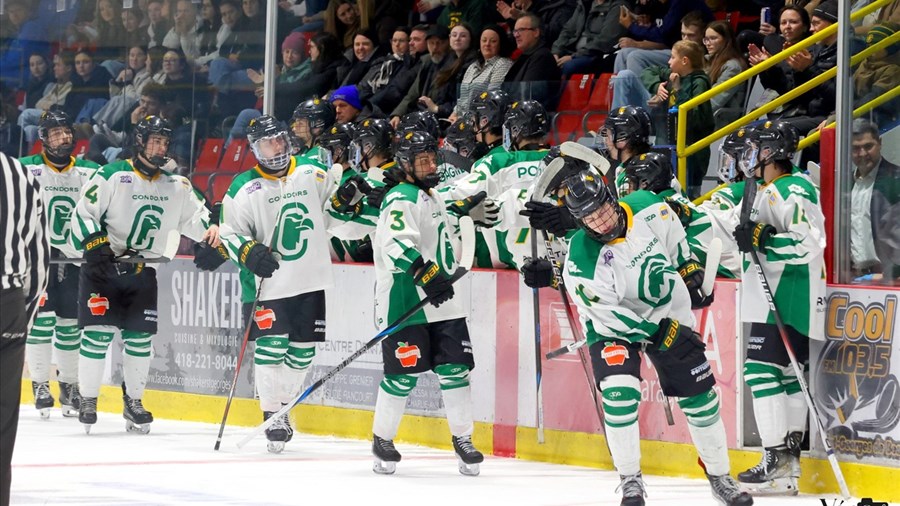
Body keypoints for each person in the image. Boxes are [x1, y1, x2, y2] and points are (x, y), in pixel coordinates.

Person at [527, 171, 752, 506]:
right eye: (589, 216)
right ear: (578, 219)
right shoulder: (580, 259)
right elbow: (610, 316)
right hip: (613, 331)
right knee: (620, 394)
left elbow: (676, 238)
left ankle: (720, 476)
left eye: (602, 209)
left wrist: (689, 270)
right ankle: (630, 479)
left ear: (612, 198)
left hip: (667, 313)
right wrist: (659, 333)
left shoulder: (648, 205)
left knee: (701, 399)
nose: (601, 221)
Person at [70, 115, 219, 434]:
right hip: (103, 270)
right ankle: (88, 400)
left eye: (164, 141)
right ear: (139, 141)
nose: (159, 147)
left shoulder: (176, 183)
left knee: (139, 340)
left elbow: (198, 218)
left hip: (142, 271)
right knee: (97, 337)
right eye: (154, 139)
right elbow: (81, 214)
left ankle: (133, 401)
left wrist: (211, 239)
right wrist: (96, 243)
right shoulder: (112, 174)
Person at [218, 115, 339, 452]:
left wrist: (352, 201)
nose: (276, 148)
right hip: (267, 284)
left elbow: (336, 210)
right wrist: (249, 251)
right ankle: (273, 413)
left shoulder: (311, 172)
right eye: (267, 143)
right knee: (271, 350)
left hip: (309, 279)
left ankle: (283, 408)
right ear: (255, 149)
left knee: (302, 354)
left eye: (279, 140)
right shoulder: (242, 186)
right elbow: (228, 232)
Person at [370, 130, 484, 476]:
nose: (431, 165)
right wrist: (423, 271)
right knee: (402, 376)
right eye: (422, 161)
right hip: (406, 301)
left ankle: (463, 438)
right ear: (405, 164)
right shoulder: (400, 197)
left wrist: (471, 214)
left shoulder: (431, 195)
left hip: (443, 303)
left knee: (455, 370)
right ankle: (382, 439)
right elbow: (394, 244)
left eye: (433, 158)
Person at [729, 120, 826, 495]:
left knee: (760, 371)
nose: (748, 156)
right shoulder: (773, 189)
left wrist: (764, 239)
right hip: (786, 293)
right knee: (787, 377)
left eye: (754, 148)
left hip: (789, 293)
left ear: (770, 152)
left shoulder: (791, 187)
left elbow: (809, 243)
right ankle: (788, 470)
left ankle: (774, 458)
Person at [19, 111, 100, 419]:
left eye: (66, 132)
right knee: (41, 321)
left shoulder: (91, 171)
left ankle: (70, 385)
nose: (62, 138)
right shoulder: (26, 169)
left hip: (76, 257)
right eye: (55, 134)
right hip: (37, 258)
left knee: (69, 323)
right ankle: (40, 383)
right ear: (43, 138)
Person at [0, 150, 49, 506]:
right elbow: (39, 257)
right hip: (9, 301)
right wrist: (23, 315)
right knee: (3, 414)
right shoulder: (22, 173)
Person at [849, 118, 900, 280]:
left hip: (890, 279)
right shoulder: (845, 185)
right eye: (856, 148)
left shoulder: (896, 180)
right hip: (852, 279)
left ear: (880, 143)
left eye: (868, 146)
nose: (863, 153)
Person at [550, 0, 628, 77]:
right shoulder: (584, 3)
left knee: (569, 66)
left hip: (595, 54)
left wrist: (574, 56)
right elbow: (568, 30)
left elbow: (606, 40)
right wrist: (556, 52)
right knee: (546, 62)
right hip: (573, 51)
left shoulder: (619, 6)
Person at [503, 13, 561, 105]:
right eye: (515, 31)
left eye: (521, 30)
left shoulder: (542, 57)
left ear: (536, 32)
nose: (516, 35)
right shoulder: (526, 56)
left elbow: (528, 94)